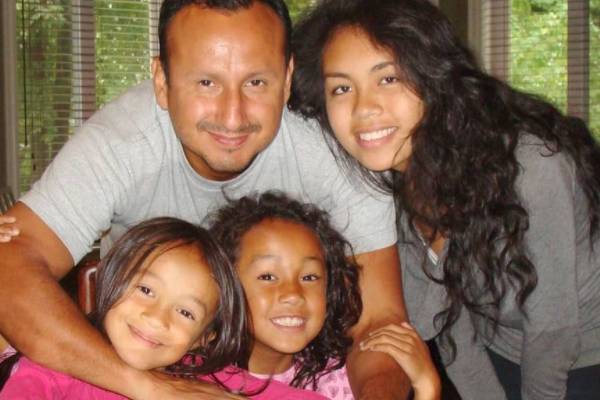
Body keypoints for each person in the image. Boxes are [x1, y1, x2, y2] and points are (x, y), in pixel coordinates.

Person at [0, 0, 410, 399]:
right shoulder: (121, 144)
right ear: (162, 82)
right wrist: (154, 389)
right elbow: (10, 267)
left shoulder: (335, 152)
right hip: (136, 362)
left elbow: (379, 325)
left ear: (287, 79)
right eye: (206, 83)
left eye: (256, 83)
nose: (232, 116)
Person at [289, 0, 600, 399]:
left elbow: (552, 330)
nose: (364, 108)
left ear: (434, 79)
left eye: (388, 78)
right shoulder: (383, 186)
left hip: (583, 355)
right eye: (342, 88)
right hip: (503, 350)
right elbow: (447, 326)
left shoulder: (531, 167)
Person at [0, 217, 327, 399]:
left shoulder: (202, 375)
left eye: (185, 312)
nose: (156, 318)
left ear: (203, 337)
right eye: (145, 290)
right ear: (109, 282)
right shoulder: (54, 366)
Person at [208, 191, 441, 400]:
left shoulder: (339, 383)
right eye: (268, 277)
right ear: (225, 284)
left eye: (309, 277)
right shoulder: (197, 379)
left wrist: (427, 388)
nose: (293, 294)